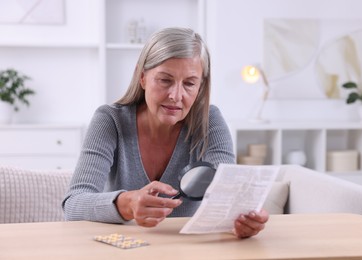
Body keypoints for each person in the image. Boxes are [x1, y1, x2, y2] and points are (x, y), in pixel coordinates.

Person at [62, 27, 269, 238]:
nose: (176, 96)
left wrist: (242, 220)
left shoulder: (209, 121)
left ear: (200, 86)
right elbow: (73, 204)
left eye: (189, 83)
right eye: (165, 80)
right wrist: (127, 203)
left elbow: (228, 194)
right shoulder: (110, 120)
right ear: (142, 77)